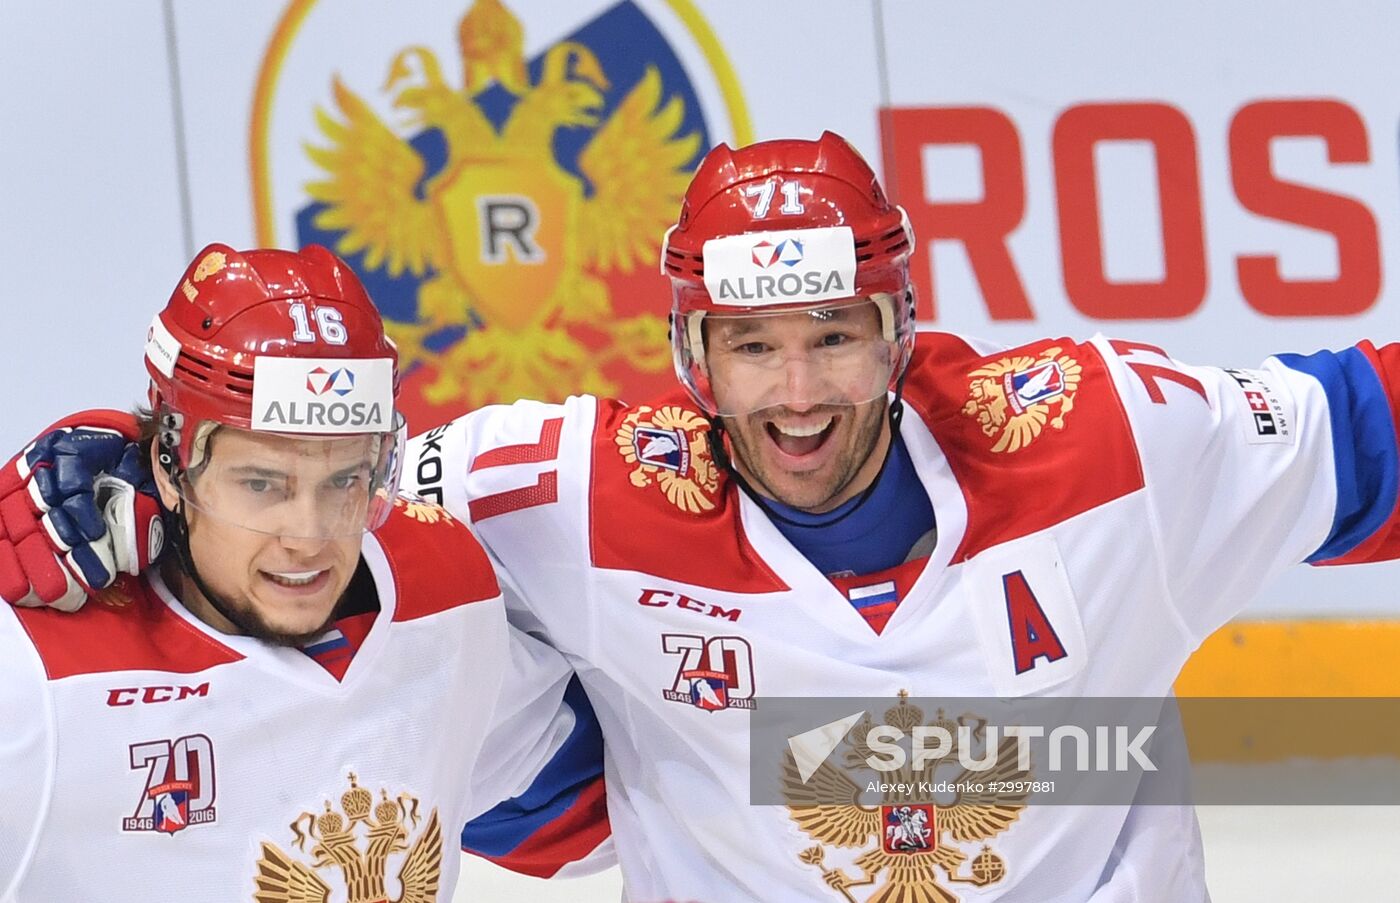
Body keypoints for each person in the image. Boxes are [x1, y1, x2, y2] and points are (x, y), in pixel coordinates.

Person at [6, 132, 1399, 901]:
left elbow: (1374, 419)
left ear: (904, 328)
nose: (797, 390)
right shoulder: (563, 488)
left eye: (835, 334)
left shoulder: (1110, 439)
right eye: (749, 343)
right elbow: (300, 486)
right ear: (688, 354)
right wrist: (104, 474)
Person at [0, 245, 608, 901]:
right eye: (262, 482)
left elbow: (676, 778)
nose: (310, 534)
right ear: (171, 467)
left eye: (346, 479)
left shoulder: (445, 583)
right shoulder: (36, 675)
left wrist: (741, 732)